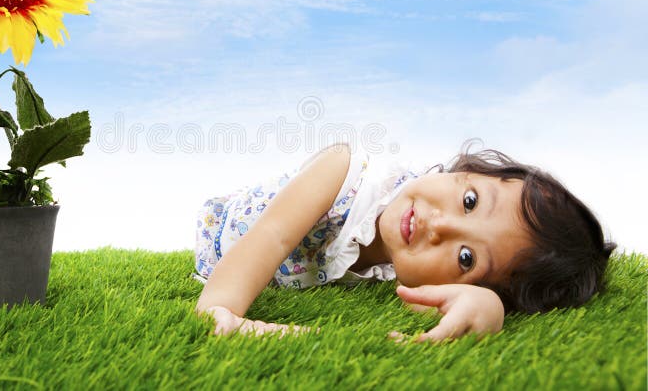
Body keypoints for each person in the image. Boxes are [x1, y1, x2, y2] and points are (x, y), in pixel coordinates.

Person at [193, 141, 615, 341]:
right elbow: (272, 235)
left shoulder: (411, 271)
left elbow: (467, 302)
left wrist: (489, 305)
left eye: (466, 257)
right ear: (469, 169)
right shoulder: (344, 172)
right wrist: (221, 309)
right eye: (469, 201)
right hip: (229, 239)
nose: (440, 226)